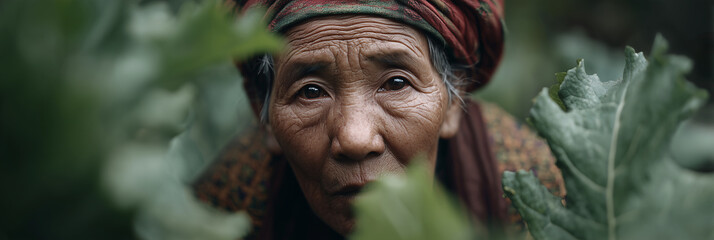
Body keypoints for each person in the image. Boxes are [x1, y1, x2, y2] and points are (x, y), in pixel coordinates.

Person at [194, 0, 565, 239]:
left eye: (396, 83)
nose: (355, 139)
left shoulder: (531, 195)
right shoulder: (226, 205)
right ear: (267, 119)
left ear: (454, 103)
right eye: (310, 91)